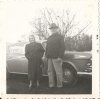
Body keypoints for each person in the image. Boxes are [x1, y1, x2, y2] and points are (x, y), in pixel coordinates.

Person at [45, 23, 65, 88]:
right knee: (50, 71)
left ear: (56, 29)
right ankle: (51, 85)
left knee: (58, 72)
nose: (53, 30)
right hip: (49, 57)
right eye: (51, 29)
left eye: (54, 28)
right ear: (50, 30)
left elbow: (63, 47)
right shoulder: (49, 38)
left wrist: (60, 56)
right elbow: (47, 47)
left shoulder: (60, 37)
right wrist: (46, 55)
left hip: (57, 57)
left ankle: (59, 85)